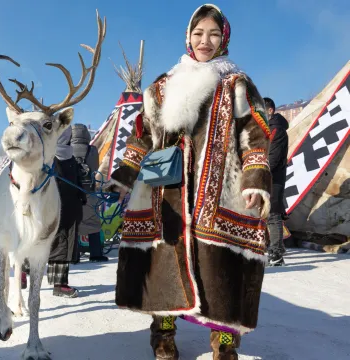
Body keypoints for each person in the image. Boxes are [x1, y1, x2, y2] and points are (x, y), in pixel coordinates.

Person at [105, 5, 271, 359]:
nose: (204, 41)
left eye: (213, 34)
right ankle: (163, 338)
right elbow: (143, 135)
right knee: (163, 267)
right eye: (198, 34)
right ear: (188, 37)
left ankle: (224, 345)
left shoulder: (235, 83)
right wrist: (124, 175)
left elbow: (255, 132)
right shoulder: (162, 87)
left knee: (221, 274)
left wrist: (255, 179)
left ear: (223, 38)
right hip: (166, 194)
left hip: (220, 195)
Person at [47, 126, 86, 298]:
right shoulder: (49, 157)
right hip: (56, 209)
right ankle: (59, 285)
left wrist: (82, 192)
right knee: (57, 245)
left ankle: (60, 283)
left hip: (71, 208)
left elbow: (76, 180)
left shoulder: (69, 156)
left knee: (63, 245)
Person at [71, 123, 108, 262]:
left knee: (73, 225)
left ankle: (73, 257)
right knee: (93, 223)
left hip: (72, 193)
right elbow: (95, 168)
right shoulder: (92, 150)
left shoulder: (67, 150)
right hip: (90, 192)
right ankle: (96, 254)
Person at [264, 97, 289, 267]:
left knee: (273, 216)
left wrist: (261, 173)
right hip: (269, 177)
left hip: (274, 178)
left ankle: (277, 254)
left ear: (270, 110)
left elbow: (272, 157)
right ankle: (277, 248)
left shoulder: (277, 130)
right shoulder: (269, 128)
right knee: (271, 215)